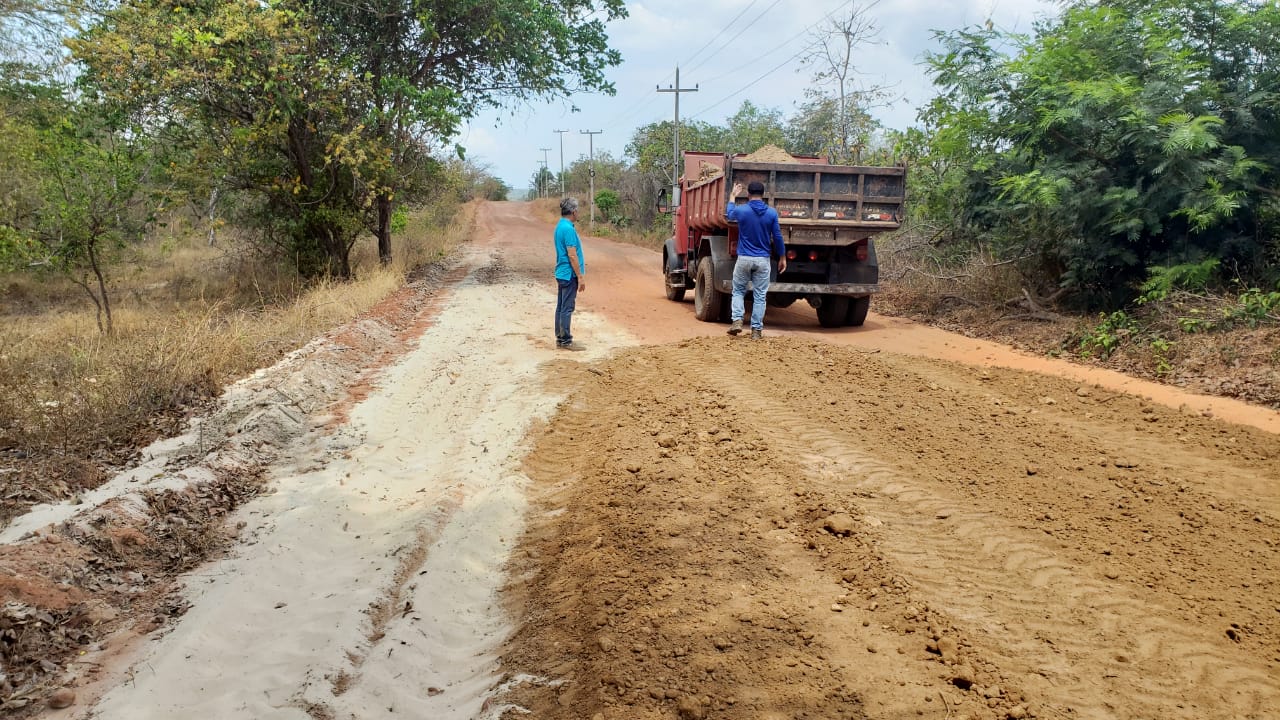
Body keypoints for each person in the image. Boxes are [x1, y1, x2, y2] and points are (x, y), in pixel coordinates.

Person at [725, 180, 786, 339]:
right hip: (763, 260)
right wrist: (782, 256)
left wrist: (732, 196)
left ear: (748, 194)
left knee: (738, 291)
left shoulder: (742, 211)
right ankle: (756, 331)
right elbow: (778, 237)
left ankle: (737, 320)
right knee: (760, 295)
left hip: (744, 258)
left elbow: (729, 214)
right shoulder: (771, 213)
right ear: (763, 195)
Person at [553, 197, 586, 350]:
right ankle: (565, 340)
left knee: (561, 307)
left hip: (562, 272)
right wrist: (580, 276)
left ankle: (560, 338)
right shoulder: (568, 229)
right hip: (568, 274)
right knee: (567, 308)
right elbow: (572, 255)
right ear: (573, 211)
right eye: (577, 211)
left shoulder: (560, 226)